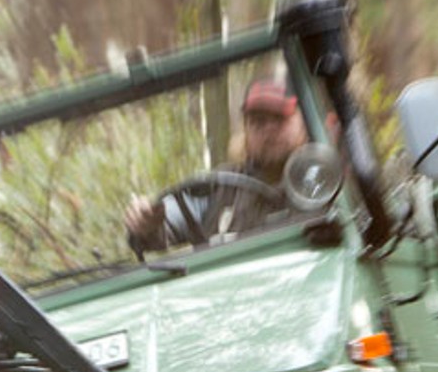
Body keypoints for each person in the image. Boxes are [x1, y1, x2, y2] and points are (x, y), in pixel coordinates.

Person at [124, 77, 308, 252]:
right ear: (246, 129)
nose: (269, 130)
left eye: (279, 119)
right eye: (258, 121)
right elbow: (171, 216)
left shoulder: (322, 178)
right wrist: (147, 221)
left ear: (302, 124)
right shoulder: (221, 188)